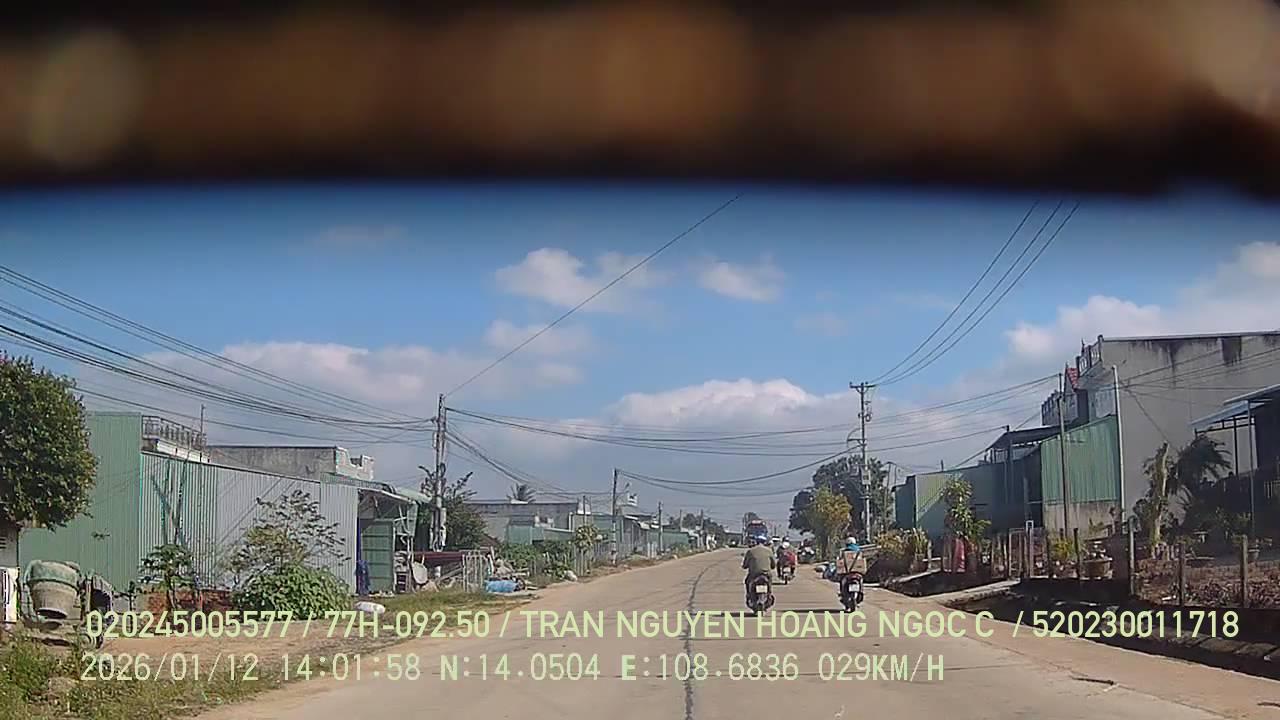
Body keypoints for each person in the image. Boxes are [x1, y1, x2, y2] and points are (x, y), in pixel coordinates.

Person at [741, 535, 776, 602]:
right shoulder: (769, 551)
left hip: (754, 574)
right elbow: (773, 565)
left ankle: (749, 595)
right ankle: (769, 593)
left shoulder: (750, 551)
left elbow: (745, 564)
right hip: (766, 573)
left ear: (756, 542)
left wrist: (745, 566)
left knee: (747, 581)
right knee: (769, 582)